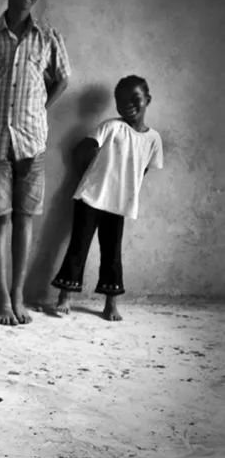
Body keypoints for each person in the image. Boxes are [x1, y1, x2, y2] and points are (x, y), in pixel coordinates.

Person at [0, 0, 71, 325]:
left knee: (24, 219)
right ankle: (1, 297)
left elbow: (62, 79)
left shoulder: (47, 36)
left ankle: (18, 293)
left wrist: (40, 109)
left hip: (32, 143)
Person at [51, 76, 162, 321]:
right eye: (121, 101)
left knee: (112, 253)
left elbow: (143, 170)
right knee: (78, 247)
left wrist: (126, 188)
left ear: (148, 100)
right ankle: (64, 296)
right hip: (90, 197)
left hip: (118, 203)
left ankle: (110, 304)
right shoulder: (111, 126)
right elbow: (81, 150)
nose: (128, 105)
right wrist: (92, 178)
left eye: (135, 99)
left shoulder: (154, 139)